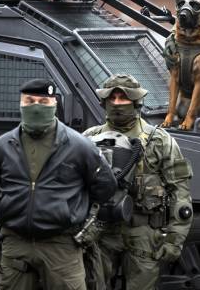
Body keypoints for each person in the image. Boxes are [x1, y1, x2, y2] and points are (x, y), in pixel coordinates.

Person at [0, 78, 117, 290]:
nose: (36, 106)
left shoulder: (79, 146)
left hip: (61, 246)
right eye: (30, 101)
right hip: (15, 245)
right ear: (21, 104)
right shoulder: (0, 147)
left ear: (54, 104)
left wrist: (70, 210)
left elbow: (105, 187)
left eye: (43, 102)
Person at [83, 74, 193, 290]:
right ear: (103, 101)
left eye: (123, 98)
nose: (116, 104)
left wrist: (174, 239)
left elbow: (180, 191)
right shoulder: (89, 139)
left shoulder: (159, 140)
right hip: (101, 231)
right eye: (112, 98)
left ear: (136, 102)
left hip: (143, 231)